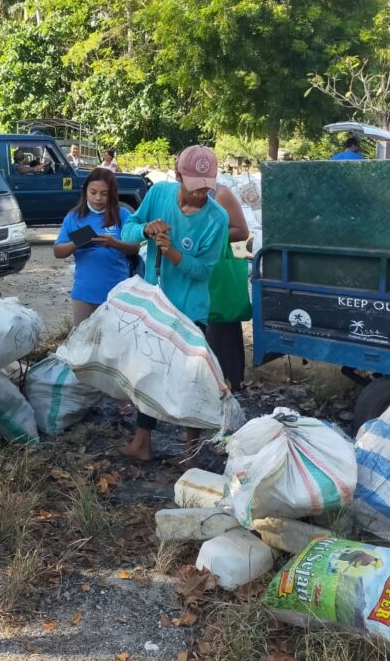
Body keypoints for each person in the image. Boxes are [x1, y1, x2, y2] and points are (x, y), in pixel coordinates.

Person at [118, 145, 229, 462]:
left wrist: (173, 253)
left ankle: (189, 452)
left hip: (190, 310)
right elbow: (128, 230)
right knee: (147, 372)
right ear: (179, 175)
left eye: (206, 188)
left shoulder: (216, 218)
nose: (199, 195)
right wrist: (144, 229)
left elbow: (204, 270)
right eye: (194, 187)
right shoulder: (160, 195)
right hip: (156, 304)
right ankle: (142, 443)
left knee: (188, 379)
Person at [54, 167, 140, 325]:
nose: (98, 198)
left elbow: (135, 247)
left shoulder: (122, 214)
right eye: (93, 192)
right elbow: (58, 251)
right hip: (85, 293)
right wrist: (78, 241)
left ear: (112, 194)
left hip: (117, 293)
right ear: (85, 190)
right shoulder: (74, 217)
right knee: (84, 342)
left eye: (104, 193)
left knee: (115, 342)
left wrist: (114, 243)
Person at [206, 186, 250, 392]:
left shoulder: (220, 194)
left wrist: (206, 233)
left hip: (219, 275)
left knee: (221, 332)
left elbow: (242, 231)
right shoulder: (178, 194)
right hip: (198, 275)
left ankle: (229, 386)